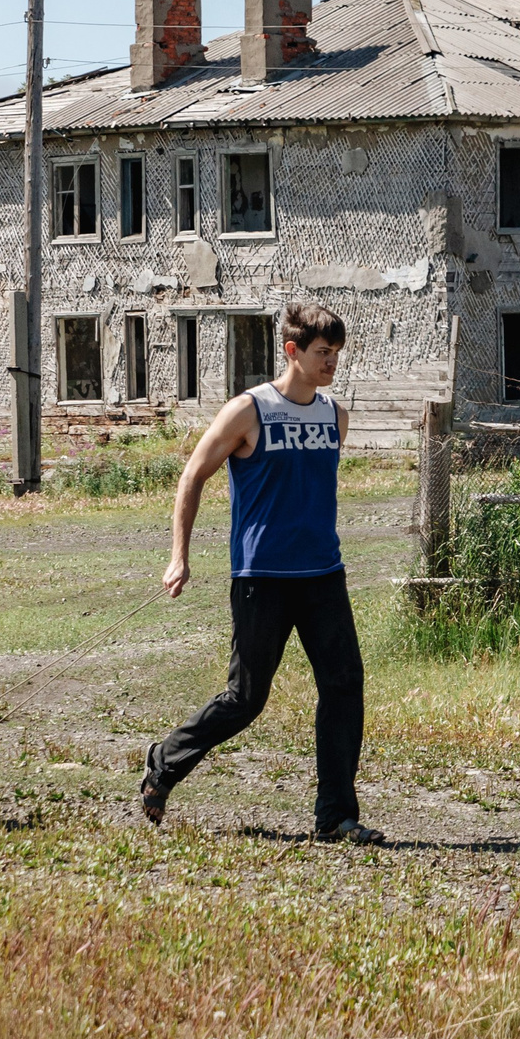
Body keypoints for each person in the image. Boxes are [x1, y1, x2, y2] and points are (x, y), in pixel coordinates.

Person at [140, 301, 383, 844]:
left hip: (323, 574)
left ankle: (336, 816)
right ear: (292, 351)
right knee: (246, 698)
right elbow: (192, 476)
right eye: (323, 353)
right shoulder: (249, 411)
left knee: (344, 686)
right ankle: (164, 761)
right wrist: (179, 555)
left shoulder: (334, 417)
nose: (332, 364)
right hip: (261, 578)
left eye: (337, 354)